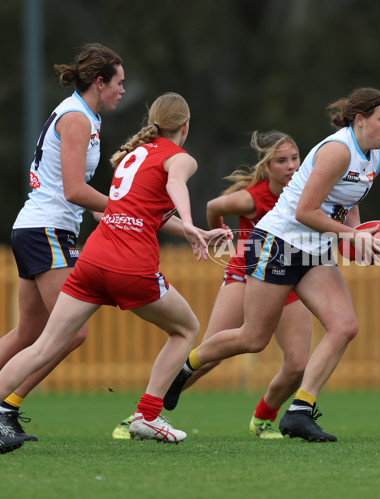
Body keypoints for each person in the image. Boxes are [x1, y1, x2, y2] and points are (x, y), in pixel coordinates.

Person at [0, 93, 232, 454]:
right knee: (186, 329)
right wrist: (189, 221)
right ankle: (147, 415)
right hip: (130, 265)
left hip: (92, 259)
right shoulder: (180, 157)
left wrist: (192, 231)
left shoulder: (131, 156)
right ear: (184, 127)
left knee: (44, 344)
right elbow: (175, 185)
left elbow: (122, 212)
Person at [163, 87, 380, 442]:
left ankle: (299, 411)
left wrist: (359, 237)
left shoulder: (375, 158)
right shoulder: (337, 151)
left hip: (314, 251)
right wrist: (350, 237)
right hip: (277, 243)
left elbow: (349, 206)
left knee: (345, 325)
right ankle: (185, 368)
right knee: (253, 338)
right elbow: (305, 211)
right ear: (360, 120)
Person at [111, 130, 313, 440]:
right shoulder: (252, 198)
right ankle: (141, 416)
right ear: (266, 166)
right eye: (281, 161)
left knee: (298, 364)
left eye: (295, 158)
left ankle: (262, 419)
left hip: (285, 277)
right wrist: (220, 236)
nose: (290, 166)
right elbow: (215, 206)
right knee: (208, 355)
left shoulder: (305, 191)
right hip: (245, 276)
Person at [0, 43, 124, 451]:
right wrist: (127, 209)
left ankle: (6, 410)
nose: (123, 91)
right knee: (72, 332)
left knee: (29, 333)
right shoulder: (76, 118)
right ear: (100, 82)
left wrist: (107, 215)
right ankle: (4, 409)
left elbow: (74, 191)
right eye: (119, 83)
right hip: (46, 231)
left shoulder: (82, 115)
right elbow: (73, 190)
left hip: (39, 229)